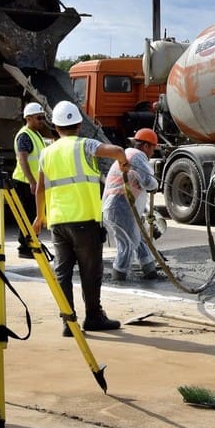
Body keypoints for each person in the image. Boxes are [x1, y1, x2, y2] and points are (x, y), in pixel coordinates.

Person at [31, 101, 131, 335]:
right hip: (84, 221)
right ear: (78, 125)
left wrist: (39, 216)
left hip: (58, 222)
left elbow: (40, 189)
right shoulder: (85, 145)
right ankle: (94, 316)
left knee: (63, 273)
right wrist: (124, 165)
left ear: (55, 127)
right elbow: (117, 151)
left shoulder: (46, 153)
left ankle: (68, 322)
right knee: (90, 272)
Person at [103, 127, 163, 282]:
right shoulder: (137, 157)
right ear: (146, 146)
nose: (152, 154)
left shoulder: (129, 154)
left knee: (139, 238)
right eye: (152, 149)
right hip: (119, 205)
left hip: (119, 205)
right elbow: (149, 182)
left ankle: (149, 270)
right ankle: (119, 275)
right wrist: (156, 185)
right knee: (128, 243)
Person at [11, 102, 50, 259]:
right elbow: (23, 160)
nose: (42, 121)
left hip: (32, 182)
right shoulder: (25, 135)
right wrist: (33, 182)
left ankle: (31, 242)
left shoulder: (36, 134)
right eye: (39, 118)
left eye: (43, 117)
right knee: (26, 215)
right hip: (24, 182)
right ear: (28, 118)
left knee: (34, 213)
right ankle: (25, 246)